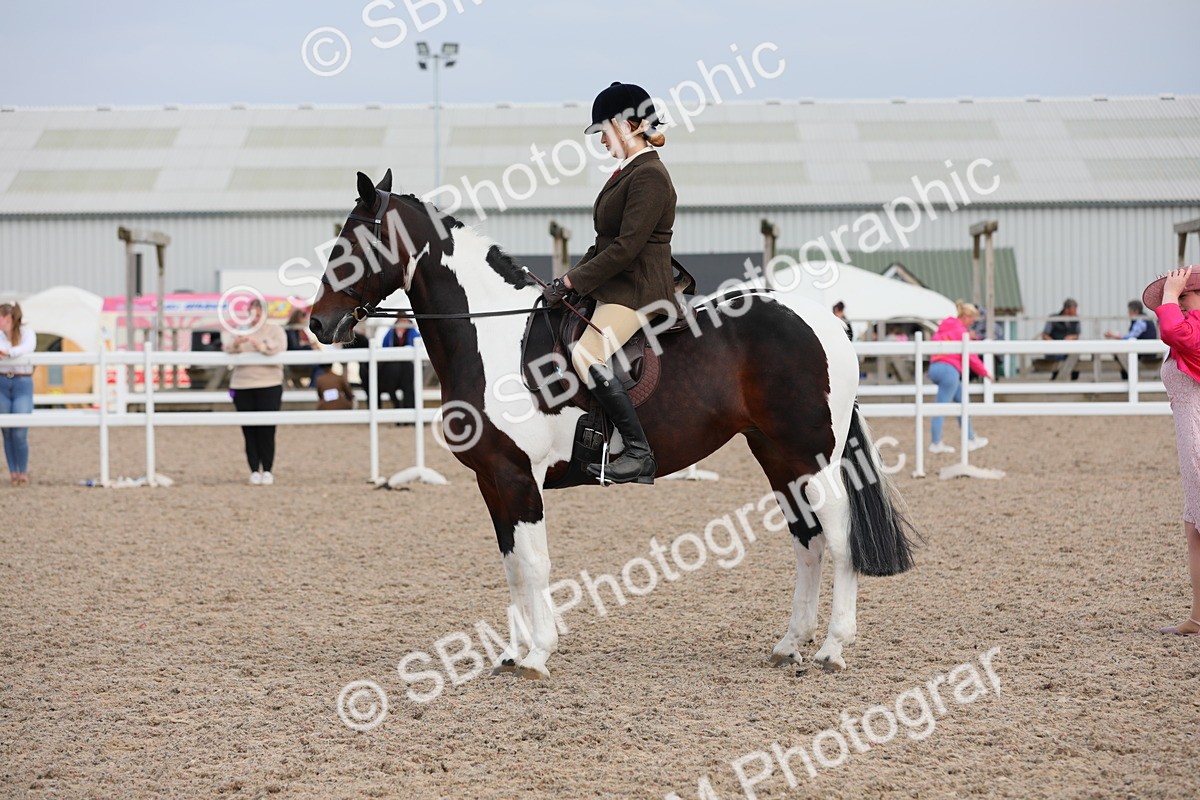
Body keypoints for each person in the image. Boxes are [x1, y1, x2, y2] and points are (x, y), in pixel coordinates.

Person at [541, 81, 677, 485]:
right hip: (619, 285)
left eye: (605, 129)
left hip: (640, 290)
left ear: (631, 125)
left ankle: (638, 452)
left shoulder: (650, 176)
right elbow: (603, 244)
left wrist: (572, 279)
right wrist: (566, 282)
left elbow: (626, 248)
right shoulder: (628, 172)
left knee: (587, 354)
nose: (600, 138)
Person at [1143, 266, 1200, 636]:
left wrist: (1169, 297)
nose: (1174, 303)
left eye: (1182, 295)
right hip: (1191, 436)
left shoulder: (1191, 328)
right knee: (1194, 527)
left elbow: (1172, 329)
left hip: (1197, 434)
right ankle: (1198, 617)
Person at [223, 299, 287, 485]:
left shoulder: (275, 330)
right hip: (242, 385)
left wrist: (261, 346)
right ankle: (253, 469)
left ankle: (267, 468)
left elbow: (279, 347)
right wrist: (237, 343)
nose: (255, 318)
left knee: (267, 429)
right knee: (248, 430)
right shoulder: (240, 329)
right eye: (252, 313)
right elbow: (227, 347)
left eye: (258, 314)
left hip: (269, 383)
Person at [928, 300, 991, 454]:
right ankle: (936, 443)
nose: (973, 322)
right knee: (941, 407)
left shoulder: (943, 328)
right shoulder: (961, 332)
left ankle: (970, 438)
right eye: (972, 318)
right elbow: (971, 357)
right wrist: (985, 372)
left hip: (935, 367)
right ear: (966, 316)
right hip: (950, 370)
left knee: (963, 401)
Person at [0, 303, 36, 486]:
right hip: (2, 383)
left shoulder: (27, 333)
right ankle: (13, 472)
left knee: (20, 430)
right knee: (6, 430)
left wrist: (9, 353)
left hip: (22, 382)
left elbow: (28, 347)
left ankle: (23, 471)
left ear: (8, 318)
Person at [1040, 298, 1080, 381]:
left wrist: (1071, 337)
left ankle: (1070, 379)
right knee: (1061, 355)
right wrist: (1054, 343)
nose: (1076, 311)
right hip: (1055, 350)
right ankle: (1058, 377)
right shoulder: (1054, 319)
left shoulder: (1076, 320)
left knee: (1074, 356)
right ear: (1067, 309)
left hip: (1069, 349)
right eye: (1074, 309)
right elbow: (1045, 335)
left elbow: (1077, 335)